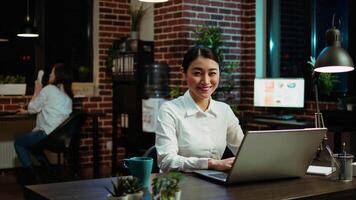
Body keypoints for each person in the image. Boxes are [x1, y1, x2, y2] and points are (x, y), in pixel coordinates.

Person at [155, 45, 244, 173]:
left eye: (212, 73)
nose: (206, 81)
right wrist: (211, 164)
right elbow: (166, 161)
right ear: (184, 74)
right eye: (197, 73)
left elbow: (244, 152)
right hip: (178, 187)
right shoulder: (169, 110)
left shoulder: (224, 110)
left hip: (215, 184)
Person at [14, 63, 73, 180]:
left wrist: (37, 90)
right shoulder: (68, 97)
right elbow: (49, 108)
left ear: (57, 76)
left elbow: (32, 107)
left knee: (19, 142)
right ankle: (49, 169)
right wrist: (27, 112)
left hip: (46, 136)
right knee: (34, 146)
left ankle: (32, 176)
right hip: (61, 139)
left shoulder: (49, 89)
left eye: (52, 73)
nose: (50, 75)